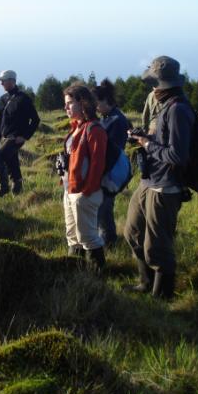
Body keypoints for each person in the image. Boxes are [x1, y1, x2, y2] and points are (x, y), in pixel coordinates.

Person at [124, 56, 194, 299]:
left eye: (154, 83)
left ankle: (163, 296)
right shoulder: (164, 107)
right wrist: (144, 137)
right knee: (132, 232)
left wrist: (145, 143)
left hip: (167, 185)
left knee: (157, 245)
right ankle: (146, 282)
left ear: (162, 84)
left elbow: (177, 155)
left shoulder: (177, 110)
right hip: (149, 179)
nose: (152, 88)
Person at [59, 84, 109, 273]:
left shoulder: (94, 130)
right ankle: (76, 274)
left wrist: (86, 192)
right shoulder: (77, 127)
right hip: (70, 190)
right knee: (72, 235)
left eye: (70, 103)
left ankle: (97, 280)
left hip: (84, 193)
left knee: (88, 237)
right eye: (66, 104)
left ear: (83, 103)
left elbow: (98, 165)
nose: (66, 108)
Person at [94, 79, 130, 247]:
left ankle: (108, 242)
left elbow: (113, 153)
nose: (95, 106)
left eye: (97, 102)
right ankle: (107, 240)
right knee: (101, 210)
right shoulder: (108, 117)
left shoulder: (117, 121)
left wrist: (99, 174)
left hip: (109, 174)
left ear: (106, 101)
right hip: (104, 173)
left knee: (104, 209)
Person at [0, 70, 40, 196]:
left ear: (12, 81)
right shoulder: (2, 99)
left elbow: (35, 119)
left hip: (16, 138)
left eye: (3, 81)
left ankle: (4, 188)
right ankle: (17, 185)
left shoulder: (23, 98)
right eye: (1, 81)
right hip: (4, 137)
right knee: (11, 160)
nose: (1, 84)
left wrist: (25, 136)